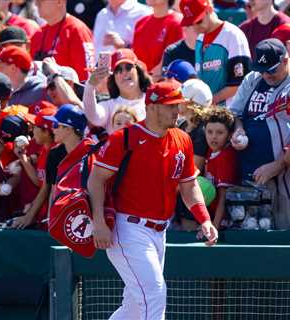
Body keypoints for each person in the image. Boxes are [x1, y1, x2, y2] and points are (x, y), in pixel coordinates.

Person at [88, 80, 218, 320]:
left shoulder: (182, 139)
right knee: (154, 295)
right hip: (128, 227)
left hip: (160, 231)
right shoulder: (124, 138)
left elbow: (189, 186)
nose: (176, 111)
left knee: (135, 307)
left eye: (178, 105)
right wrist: (98, 221)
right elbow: (96, 179)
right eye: (170, 106)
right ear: (152, 107)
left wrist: (205, 219)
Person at [229, 38, 290, 229]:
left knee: (283, 231)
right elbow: (236, 114)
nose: (266, 75)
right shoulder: (253, 79)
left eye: (272, 70)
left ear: (285, 61)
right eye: (262, 70)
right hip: (250, 175)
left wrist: (278, 164)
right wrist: (238, 129)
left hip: (285, 175)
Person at [13, 103, 89, 229]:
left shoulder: (91, 151)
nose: (53, 129)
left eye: (56, 125)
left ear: (69, 128)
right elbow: (50, 189)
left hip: (84, 218)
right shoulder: (55, 154)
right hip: (63, 218)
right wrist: (51, 221)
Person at [179, 0, 251, 106]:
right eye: (191, 24)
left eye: (198, 21)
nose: (195, 28)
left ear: (209, 10)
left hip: (231, 112)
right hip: (208, 113)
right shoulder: (200, 39)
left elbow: (240, 82)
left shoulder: (233, 35)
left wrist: (209, 101)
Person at [83, 49, 152, 134]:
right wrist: (91, 85)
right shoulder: (109, 105)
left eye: (128, 67)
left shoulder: (153, 99)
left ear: (138, 70)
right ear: (113, 78)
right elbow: (93, 117)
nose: (124, 73)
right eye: (118, 70)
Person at [31, 0, 95, 81]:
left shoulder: (77, 30)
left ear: (59, 2)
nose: (36, 4)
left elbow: (87, 77)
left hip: (69, 92)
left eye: (41, 0)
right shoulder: (38, 34)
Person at [203, 107, 239, 229]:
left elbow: (223, 198)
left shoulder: (226, 157)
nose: (213, 137)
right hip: (212, 217)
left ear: (229, 135)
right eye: (209, 132)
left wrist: (214, 226)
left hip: (226, 221)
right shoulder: (209, 150)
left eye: (219, 132)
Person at [132, 0, 184, 75]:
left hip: (163, 82)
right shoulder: (140, 23)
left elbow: (173, 60)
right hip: (141, 82)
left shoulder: (177, 22)